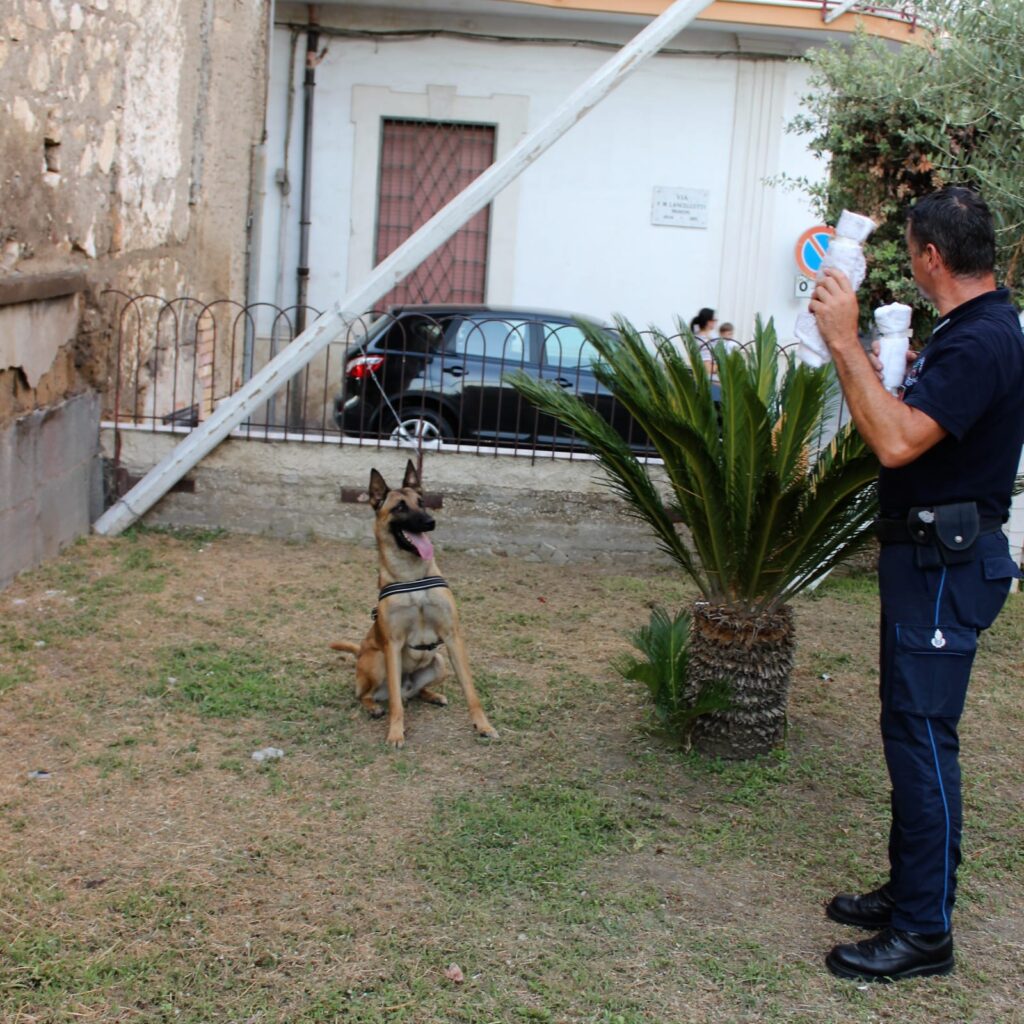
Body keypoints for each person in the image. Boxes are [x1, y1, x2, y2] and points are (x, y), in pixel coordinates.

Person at [809, 185, 1024, 983]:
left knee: (924, 739)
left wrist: (841, 340)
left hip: (945, 563)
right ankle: (911, 894)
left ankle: (925, 933)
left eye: (908, 250)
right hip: (930, 559)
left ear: (931, 256)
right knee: (911, 731)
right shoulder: (972, 331)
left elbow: (897, 443)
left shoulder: (980, 341)